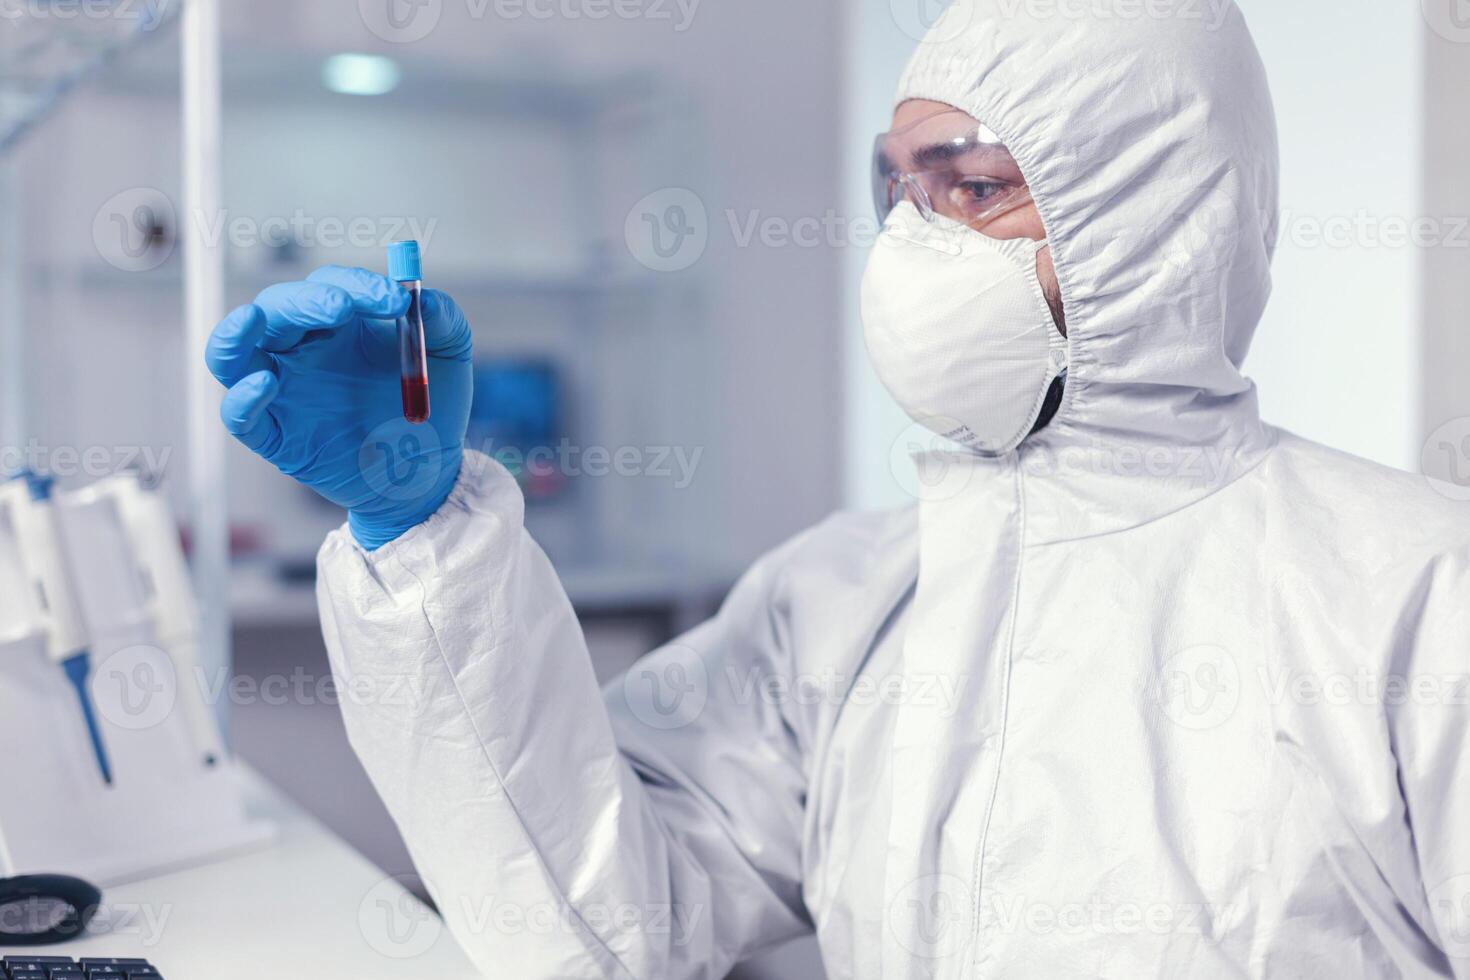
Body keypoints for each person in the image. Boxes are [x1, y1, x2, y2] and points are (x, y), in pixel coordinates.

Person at [205, 1, 1470, 976]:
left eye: (972, 188)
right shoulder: (848, 593)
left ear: (1156, 216)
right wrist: (422, 532)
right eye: (900, 192)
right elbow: (593, 923)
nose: (914, 244)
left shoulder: (1412, 587)